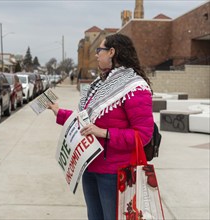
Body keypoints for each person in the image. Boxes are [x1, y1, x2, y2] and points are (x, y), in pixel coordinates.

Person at [48, 33, 154, 220]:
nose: (97, 55)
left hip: (115, 173)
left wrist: (105, 133)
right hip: (90, 165)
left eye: (100, 50)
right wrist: (60, 112)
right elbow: (86, 120)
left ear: (112, 52)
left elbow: (143, 135)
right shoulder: (100, 84)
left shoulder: (135, 87)